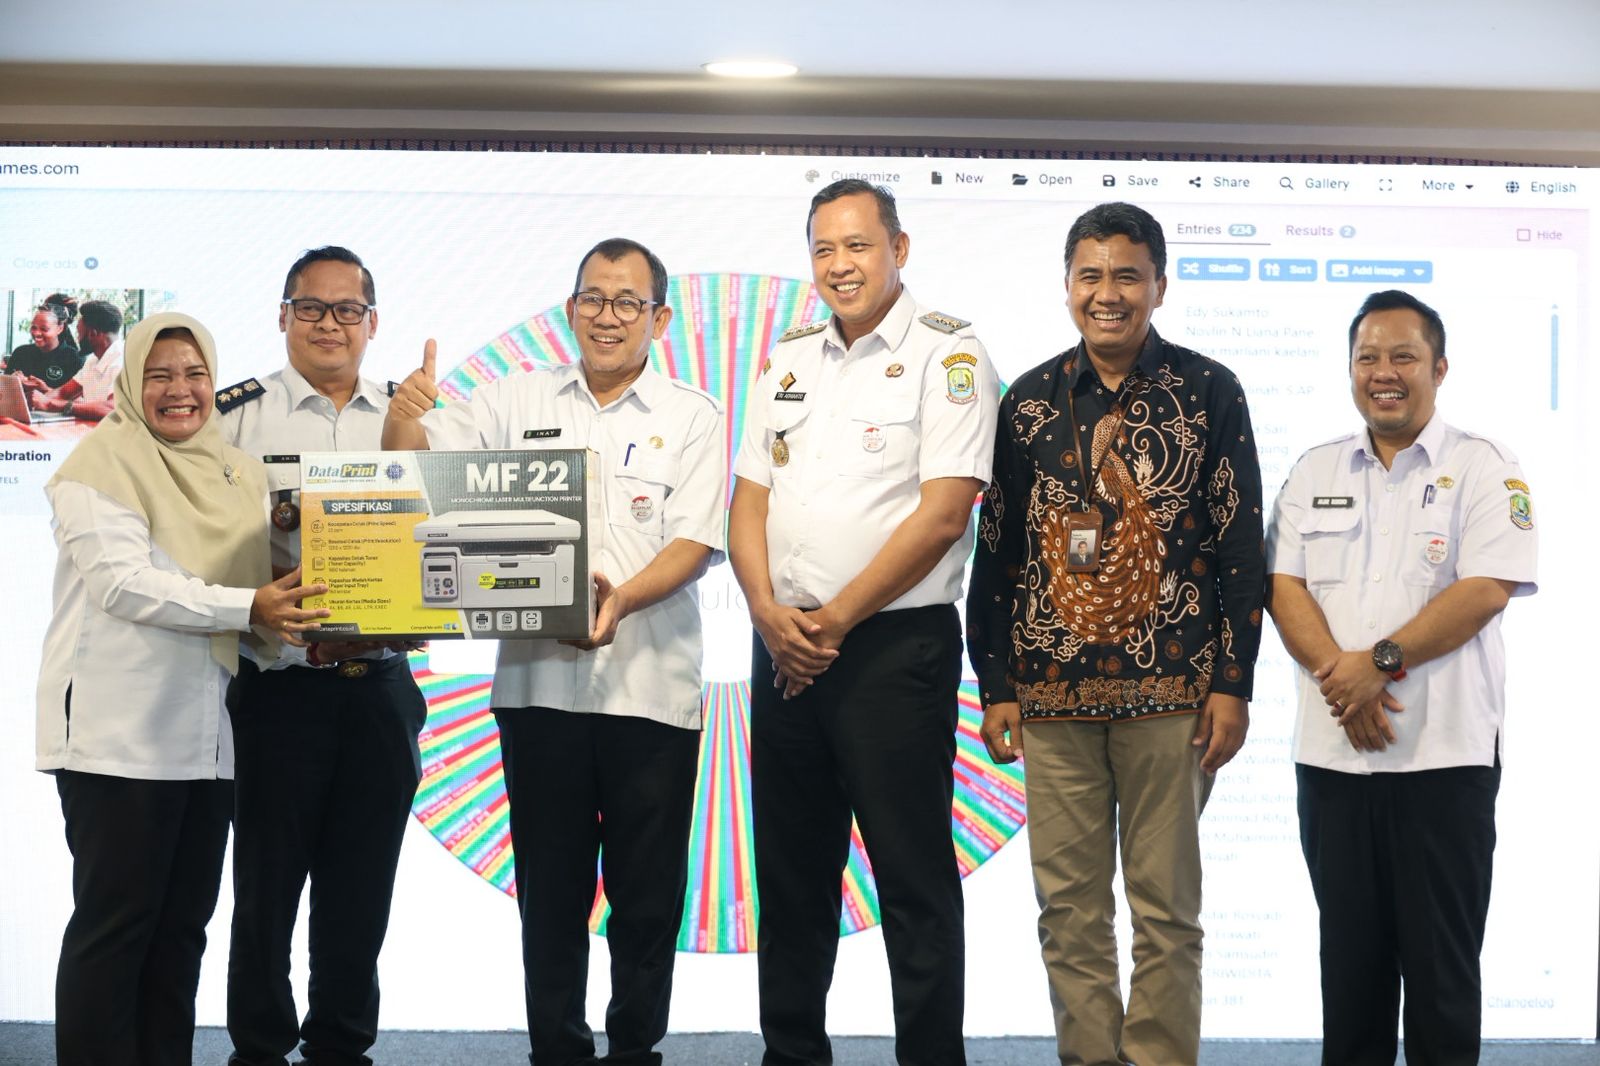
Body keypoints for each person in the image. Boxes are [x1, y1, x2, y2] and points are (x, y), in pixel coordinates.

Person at [383, 236, 725, 1066]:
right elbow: (415, 467)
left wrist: (622, 601)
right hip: (538, 692)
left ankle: (635, 1049)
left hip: (652, 692)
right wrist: (401, 417)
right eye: (593, 299)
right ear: (571, 309)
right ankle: (557, 1051)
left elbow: (696, 542)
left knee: (647, 899)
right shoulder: (515, 398)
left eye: (628, 302)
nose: (609, 316)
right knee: (549, 896)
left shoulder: (693, 415)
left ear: (659, 319)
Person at [966, 201, 1265, 1066]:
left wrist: (1233, 684)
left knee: (1166, 910)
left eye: (1128, 275)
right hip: (1051, 697)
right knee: (1069, 910)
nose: (1108, 293)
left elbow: (1241, 546)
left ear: (1159, 286)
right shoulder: (1028, 402)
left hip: (1174, 698)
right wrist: (997, 684)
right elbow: (999, 553)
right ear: (1066, 286)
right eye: (1090, 275)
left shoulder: (1209, 391)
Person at [728, 178, 999, 1066]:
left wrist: (834, 621)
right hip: (784, 649)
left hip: (891, 651)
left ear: (899, 249)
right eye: (823, 249)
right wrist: (768, 614)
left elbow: (945, 514)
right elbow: (749, 501)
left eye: (857, 245)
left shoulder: (948, 354)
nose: (839, 265)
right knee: (791, 879)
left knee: (912, 880)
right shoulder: (790, 358)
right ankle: (791, 1053)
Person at [37, 311, 326, 1066]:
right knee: (117, 929)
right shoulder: (99, 465)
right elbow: (125, 584)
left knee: (181, 934)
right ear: (132, 382)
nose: (180, 390)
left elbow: (252, 595)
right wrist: (253, 607)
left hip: (208, 742)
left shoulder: (234, 473)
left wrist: (331, 634)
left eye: (195, 374)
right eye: (159, 375)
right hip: (116, 738)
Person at [1266, 290, 1538, 1066]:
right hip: (1333, 765)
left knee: (1441, 981)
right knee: (1350, 984)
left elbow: (1485, 589)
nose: (1383, 372)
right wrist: (1342, 680)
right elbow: (1282, 586)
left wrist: (1377, 665)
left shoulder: (1483, 466)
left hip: (1443, 765)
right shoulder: (1314, 468)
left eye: (1403, 357)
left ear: (1438, 368)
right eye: (1368, 358)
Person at [216, 246, 428, 1066]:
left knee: (361, 890)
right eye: (311, 307)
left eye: (347, 310)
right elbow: (206, 544)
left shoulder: (412, 416)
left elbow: (444, 541)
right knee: (265, 892)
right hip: (279, 689)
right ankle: (259, 1047)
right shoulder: (236, 419)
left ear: (372, 322)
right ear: (283, 315)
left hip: (380, 689)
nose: (329, 324)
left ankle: (342, 1044)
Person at [32, 299, 125, 420]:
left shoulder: (123, 361)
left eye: (79, 333)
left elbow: (113, 409)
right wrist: (36, 401)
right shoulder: (93, 360)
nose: (77, 338)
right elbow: (63, 393)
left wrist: (55, 405)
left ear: (92, 334)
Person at [6, 295, 85, 397]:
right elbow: (3, 392)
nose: (37, 333)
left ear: (60, 328)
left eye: (44, 329)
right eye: (34, 328)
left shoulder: (75, 359)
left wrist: (44, 389)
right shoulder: (20, 353)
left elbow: (80, 401)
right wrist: (12, 382)